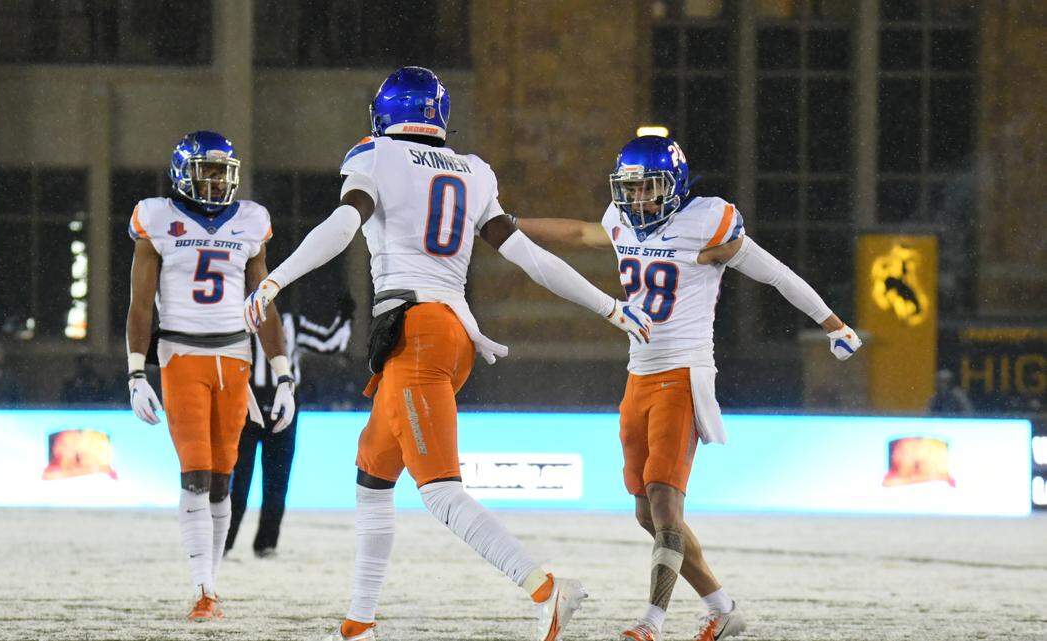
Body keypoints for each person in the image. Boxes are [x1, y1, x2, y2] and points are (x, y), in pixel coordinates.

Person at [244, 66, 654, 641]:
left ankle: (546, 587)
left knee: (438, 490)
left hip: (417, 332)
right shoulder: (474, 171)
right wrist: (609, 306)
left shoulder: (375, 155)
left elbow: (342, 225)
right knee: (372, 470)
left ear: (384, 116)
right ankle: (359, 619)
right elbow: (530, 258)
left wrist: (276, 279)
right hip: (450, 331)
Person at [516, 134, 864, 641]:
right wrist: (503, 224)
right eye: (629, 190)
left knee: (663, 503)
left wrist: (833, 323)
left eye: (647, 189)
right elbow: (576, 232)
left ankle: (651, 621)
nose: (637, 201)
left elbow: (776, 274)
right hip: (638, 374)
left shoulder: (706, 221)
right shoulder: (621, 222)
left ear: (673, 187)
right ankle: (722, 608)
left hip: (683, 374)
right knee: (646, 512)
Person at [124, 130, 295, 622]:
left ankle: (211, 582)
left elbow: (263, 303)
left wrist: (282, 375)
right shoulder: (158, 218)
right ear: (183, 172)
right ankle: (204, 588)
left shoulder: (250, 221)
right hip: (182, 356)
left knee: (223, 479)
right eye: (209, 169)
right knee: (196, 472)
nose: (218, 179)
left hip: (236, 359)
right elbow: (139, 307)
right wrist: (137, 373)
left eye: (223, 170)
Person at [225, 299, 353, 558]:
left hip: (278, 407)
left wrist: (345, 316)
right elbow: (330, 343)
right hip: (248, 406)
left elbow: (330, 343)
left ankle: (258, 543)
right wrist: (347, 316)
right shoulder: (252, 318)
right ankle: (234, 542)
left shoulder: (284, 320)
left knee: (266, 482)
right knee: (247, 481)